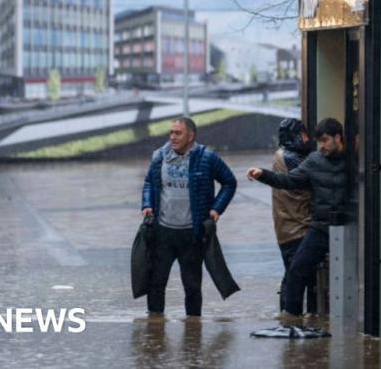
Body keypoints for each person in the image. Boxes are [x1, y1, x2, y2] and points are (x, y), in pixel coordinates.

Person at [247, 117, 347, 319]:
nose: (322, 146)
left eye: (326, 140)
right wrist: (263, 174)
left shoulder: (353, 159)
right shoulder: (314, 160)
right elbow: (288, 181)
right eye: (319, 141)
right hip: (321, 227)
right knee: (297, 268)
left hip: (349, 225)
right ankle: (291, 316)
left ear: (338, 137)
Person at [141, 117, 237, 317]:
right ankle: (155, 329)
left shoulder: (207, 158)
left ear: (191, 136)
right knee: (156, 284)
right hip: (163, 231)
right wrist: (147, 204)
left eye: (178, 133)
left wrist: (216, 209)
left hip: (192, 234)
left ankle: (193, 331)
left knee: (192, 287)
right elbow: (149, 182)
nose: (173, 137)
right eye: (171, 133)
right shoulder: (159, 157)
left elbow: (229, 182)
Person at [271, 118, 313, 312]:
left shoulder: (282, 155)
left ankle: (287, 319)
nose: (307, 139)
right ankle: (291, 319)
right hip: (297, 227)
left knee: (291, 275)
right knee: (295, 277)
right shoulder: (292, 158)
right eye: (304, 135)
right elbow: (314, 179)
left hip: (286, 227)